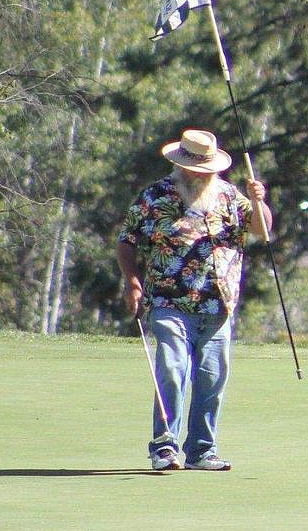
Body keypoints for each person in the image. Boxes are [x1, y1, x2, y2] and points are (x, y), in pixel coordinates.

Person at [117, 129, 273, 471]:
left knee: (212, 377)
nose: (201, 174)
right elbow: (126, 241)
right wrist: (131, 281)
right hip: (168, 301)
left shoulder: (230, 197)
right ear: (181, 165)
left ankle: (202, 450)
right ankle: (164, 447)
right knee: (172, 369)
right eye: (195, 168)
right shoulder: (155, 196)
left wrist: (259, 200)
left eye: (207, 169)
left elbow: (262, 230)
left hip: (217, 303)